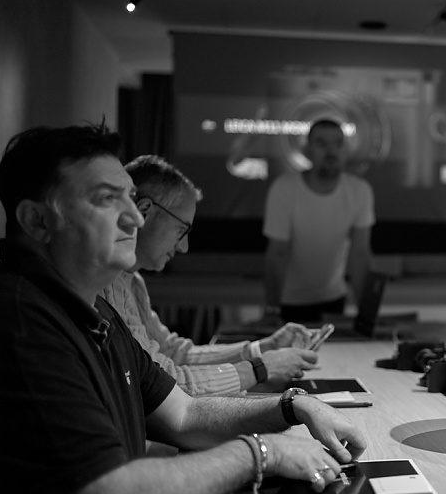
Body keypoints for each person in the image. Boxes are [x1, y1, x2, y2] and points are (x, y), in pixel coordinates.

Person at [0, 123, 366, 494]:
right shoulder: (22, 323)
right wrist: (264, 453)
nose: (136, 218)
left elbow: (184, 414)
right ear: (37, 221)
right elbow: (108, 489)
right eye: (107, 198)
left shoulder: (96, 309)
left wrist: (292, 404)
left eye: (130, 198)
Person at [101, 155, 318, 396]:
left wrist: (262, 349)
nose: (184, 247)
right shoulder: (106, 283)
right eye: (181, 230)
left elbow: (175, 353)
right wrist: (260, 368)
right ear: (143, 211)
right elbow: (161, 382)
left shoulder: (132, 281)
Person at [263, 119, 374, 323]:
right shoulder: (284, 189)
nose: (331, 152)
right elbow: (277, 253)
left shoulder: (360, 191)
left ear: (346, 150)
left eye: (338, 144)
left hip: (334, 300)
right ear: (307, 150)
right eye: (322, 143)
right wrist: (272, 309)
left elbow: (360, 255)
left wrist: (366, 315)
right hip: (289, 303)